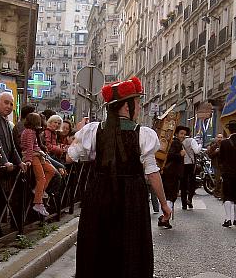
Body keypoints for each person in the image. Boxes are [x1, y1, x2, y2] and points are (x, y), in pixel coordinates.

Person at [66, 77, 171, 278]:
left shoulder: (93, 130)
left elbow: (70, 158)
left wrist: (78, 135)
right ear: (125, 107)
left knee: (98, 242)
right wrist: (164, 205)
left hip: (99, 193)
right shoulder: (144, 134)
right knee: (130, 245)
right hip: (131, 197)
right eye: (137, 103)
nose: (139, 107)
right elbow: (152, 172)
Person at [21, 112, 55, 217]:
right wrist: (29, 160)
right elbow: (29, 148)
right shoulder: (30, 132)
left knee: (51, 170)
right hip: (33, 156)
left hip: (37, 155)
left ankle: (38, 191)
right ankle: (38, 202)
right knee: (41, 178)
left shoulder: (30, 131)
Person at [0, 92, 27, 174]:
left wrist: (19, 162)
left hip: (6, 165)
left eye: (11, 104)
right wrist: (4, 162)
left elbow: (12, 145)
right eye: (6, 102)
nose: (9, 106)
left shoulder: (5, 119)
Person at [161, 125, 188, 220]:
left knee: (171, 195)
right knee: (170, 195)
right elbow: (170, 155)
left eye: (184, 134)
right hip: (172, 173)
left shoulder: (176, 143)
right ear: (176, 134)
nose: (183, 136)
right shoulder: (175, 143)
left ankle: (165, 216)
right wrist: (180, 154)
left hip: (172, 173)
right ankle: (166, 217)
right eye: (181, 133)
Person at [181, 128, 201, 209]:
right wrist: (200, 145)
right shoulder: (192, 141)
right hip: (190, 164)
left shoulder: (180, 141)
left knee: (183, 183)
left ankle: (184, 204)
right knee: (192, 183)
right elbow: (196, 151)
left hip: (182, 164)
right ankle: (189, 200)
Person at [206, 133, 223, 199]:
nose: (220, 139)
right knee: (218, 179)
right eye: (218, 137)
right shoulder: (213, 146)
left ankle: (221, 193)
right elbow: (210, 155)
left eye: (221, 137)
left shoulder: (224, 145)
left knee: (222, 180)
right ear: (216, 138)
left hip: (223, 165)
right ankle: (216, 192)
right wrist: (215, 152)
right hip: (216, 165)